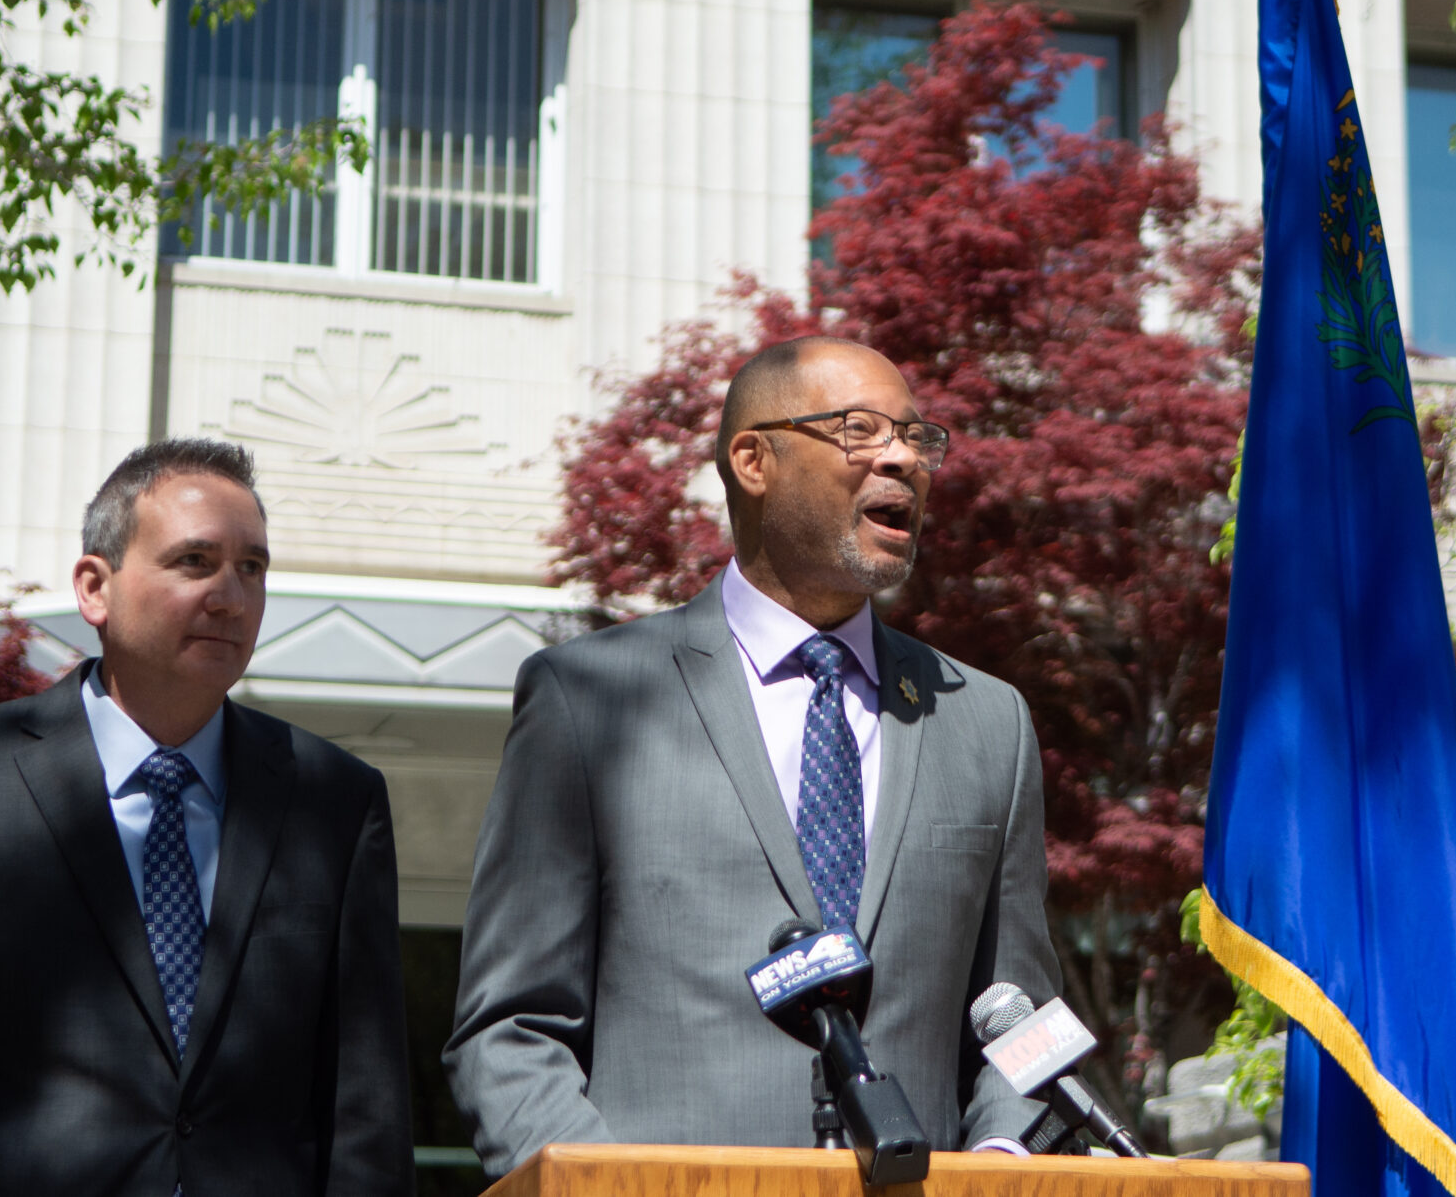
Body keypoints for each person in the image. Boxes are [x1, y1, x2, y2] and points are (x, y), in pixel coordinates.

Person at [446, 336, 1061, 1175]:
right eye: (860, 429)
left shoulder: (987, 720)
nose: (902, 459)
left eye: (918, 438)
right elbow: (511, 1027)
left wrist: (997, 1159)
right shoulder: (587, 697)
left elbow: (1021, 1017)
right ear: (752, 459)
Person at [0, 438, 412, 1197]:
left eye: (252, 567)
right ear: (94, 587)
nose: (230, 595)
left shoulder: (336, 803)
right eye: (195, 561)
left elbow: (366, 1121)